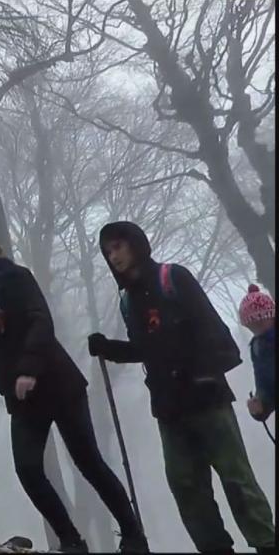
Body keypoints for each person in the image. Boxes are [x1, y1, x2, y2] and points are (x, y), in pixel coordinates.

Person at [0, 229, 148, 553]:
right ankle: (70, 539)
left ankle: (132, 534)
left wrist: (28, 368)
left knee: (88, 462)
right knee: (28, 469)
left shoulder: (15, 277)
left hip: (57, 383)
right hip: (22, 398)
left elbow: (40, 321)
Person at [88, 221, 274, 554]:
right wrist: (109, 348)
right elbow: (145, 349)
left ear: (135, 244)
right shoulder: (128, 301)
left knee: (236, 479)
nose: (114, 256)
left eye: (118, 246)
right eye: (108, 251)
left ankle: (267, 544)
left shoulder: (173, 278)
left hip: (207, 398)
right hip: (168, 408)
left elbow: (213, 330)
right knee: (186, 487)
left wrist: (201, 372)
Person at [239, 284, 275, 423]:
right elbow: (265, 387)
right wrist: (261, 407)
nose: (256, 328)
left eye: (260, 321)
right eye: (252, 325)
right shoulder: (257, 348)